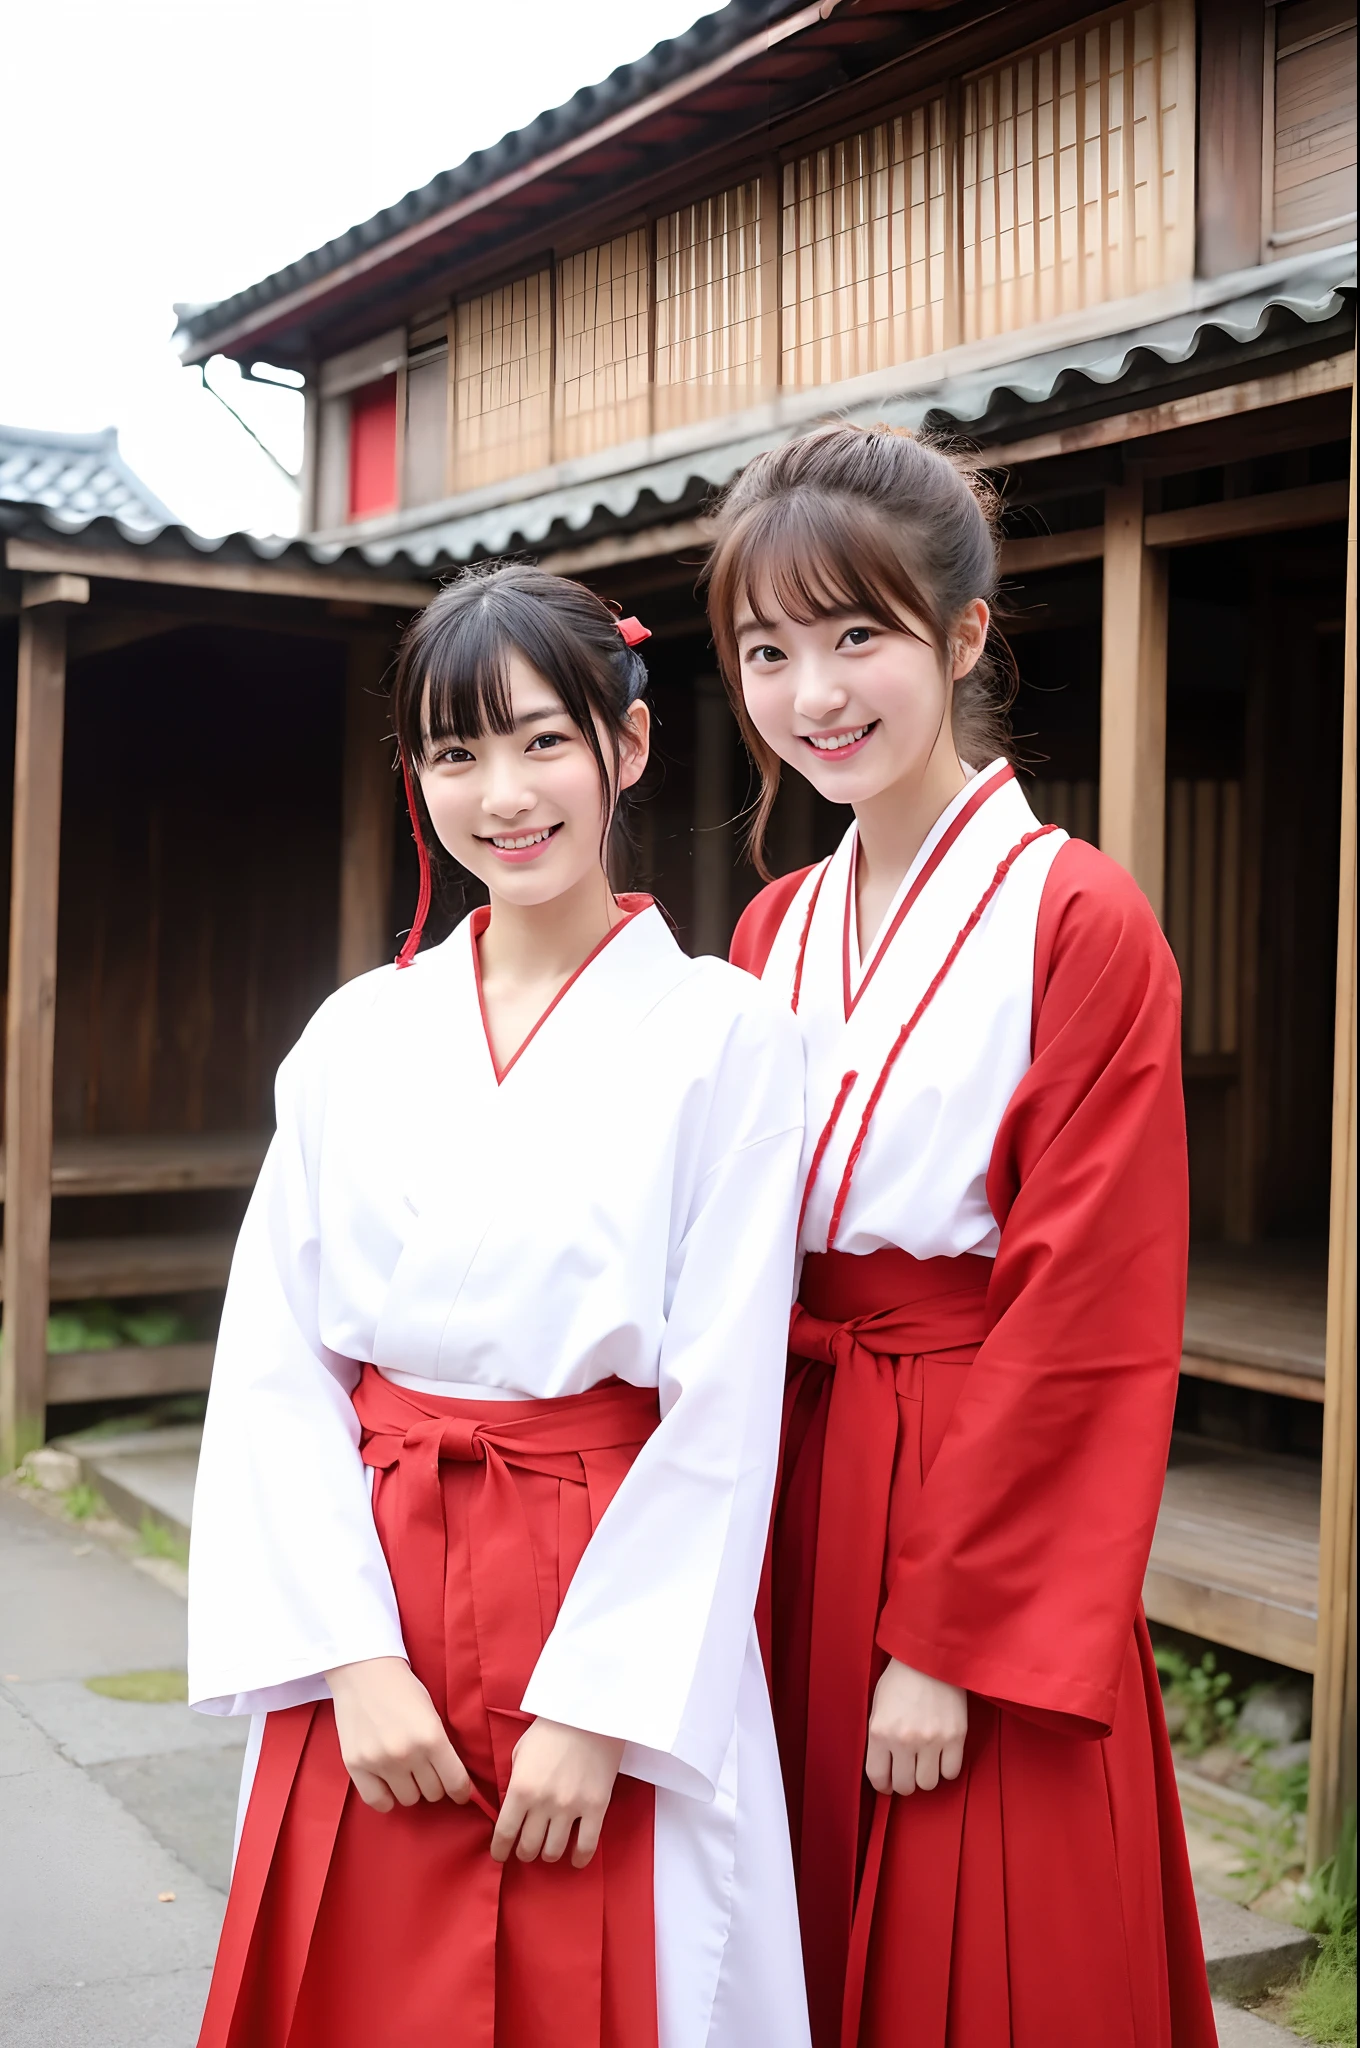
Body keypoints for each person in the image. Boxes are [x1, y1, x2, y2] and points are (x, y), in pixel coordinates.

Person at [188, 564, 812, 2048]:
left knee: (620, 1982)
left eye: (543, 739)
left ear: (630, 746)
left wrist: (602, 1709)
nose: (503, 793)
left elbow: (725, 1406)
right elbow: (276, 1366)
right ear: (418, 776)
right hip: (379, 1581)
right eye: (456, 751)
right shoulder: (359, 1032)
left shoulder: (731, 1036)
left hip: (606, 1570)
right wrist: (352, 1659)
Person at [709, 425, 1217, 2048]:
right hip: (788, 1469)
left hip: (967, 1488)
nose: (815, 695)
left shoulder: (1076, 917)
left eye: (859, 635)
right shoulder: (773, 928)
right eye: (770, 650)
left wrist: (952, 1639)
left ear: (967, 633)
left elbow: (1089, 1309)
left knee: (980, 1955)